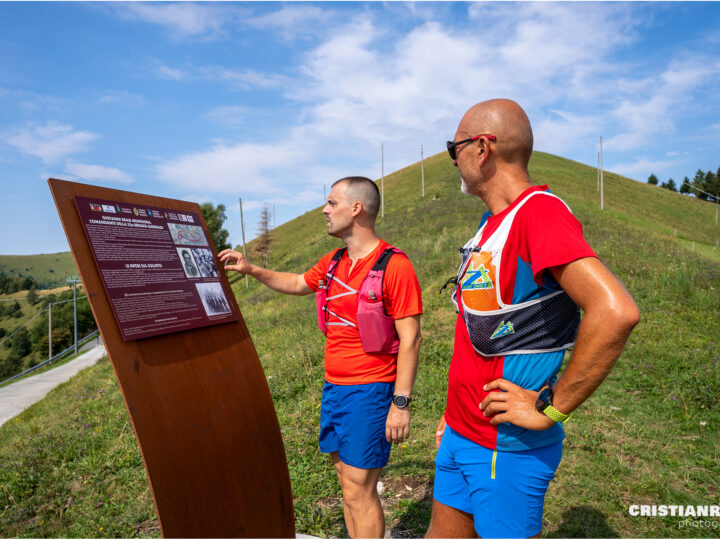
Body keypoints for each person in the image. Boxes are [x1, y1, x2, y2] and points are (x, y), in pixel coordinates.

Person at [426, 99, 640, 539]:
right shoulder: (491, 225)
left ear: (482, 148)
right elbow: (480, 334)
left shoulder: (538, 214)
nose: (453, 160)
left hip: (505, 446)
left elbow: (616, 311)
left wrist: (551, 407)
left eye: (455, 147)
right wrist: (453, 415)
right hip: (462, 432)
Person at [219, 176, 423, 538]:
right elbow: (298, 283)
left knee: (360, 490)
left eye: (331, 203)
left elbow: (411, 339)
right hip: (335, 390)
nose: (324, 210)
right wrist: (251, 269)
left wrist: (400, 402)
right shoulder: (333, 262)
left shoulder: (394, 266)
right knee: (347, 485)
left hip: (371, 391)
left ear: (356, 208)